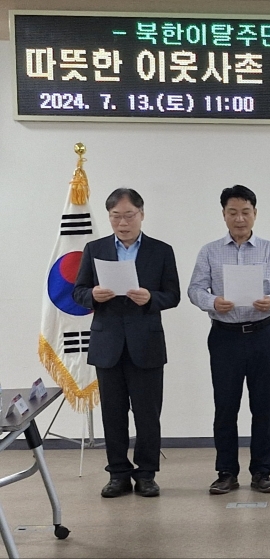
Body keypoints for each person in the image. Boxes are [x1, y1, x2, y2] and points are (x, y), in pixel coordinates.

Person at [73, 188, 180, 498]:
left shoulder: (161, 251)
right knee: (113, 414)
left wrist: (151, 298)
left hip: (146, 344)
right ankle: (118, 474)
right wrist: (93, 295)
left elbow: (173, 295)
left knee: (147, 415)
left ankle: (146, 474)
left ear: (141, 214)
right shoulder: (95, 249)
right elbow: (78, 291)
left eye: (129, 215)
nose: (122, 223)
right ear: (109, 217)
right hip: (108, 344)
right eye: (115, 216)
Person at [188, 185, 270, 495]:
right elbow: (195, 289)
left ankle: (262, 472)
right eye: (232, 212)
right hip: (225, 336)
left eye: (245, 212)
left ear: (255, 214)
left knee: (263, 406)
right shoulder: (210, 252)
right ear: (223, 215)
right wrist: (212, 302)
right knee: (225, 406)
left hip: (263, 334)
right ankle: (226, 472)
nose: (239, 218)